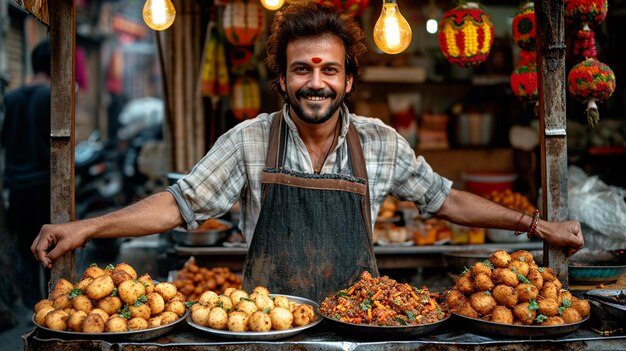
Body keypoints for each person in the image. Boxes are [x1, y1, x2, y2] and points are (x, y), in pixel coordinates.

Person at [31, 3, 583, 302]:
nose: (314, 82)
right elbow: (179, 205)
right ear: (282, 79)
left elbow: (446, 202)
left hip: (360, 323)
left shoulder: (379, 142)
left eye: (328, 70)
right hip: (266, 326)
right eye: (301, 69)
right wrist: (86, 228)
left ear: (348, 82)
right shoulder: (249, 139)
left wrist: (535, 225)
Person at [2, 40, 52, 306]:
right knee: (50, 247)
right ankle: (49, 304)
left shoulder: (11, 98)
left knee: (25, 248)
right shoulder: (53, 96)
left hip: (17, 188)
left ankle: (33, 303)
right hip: (45, 186)